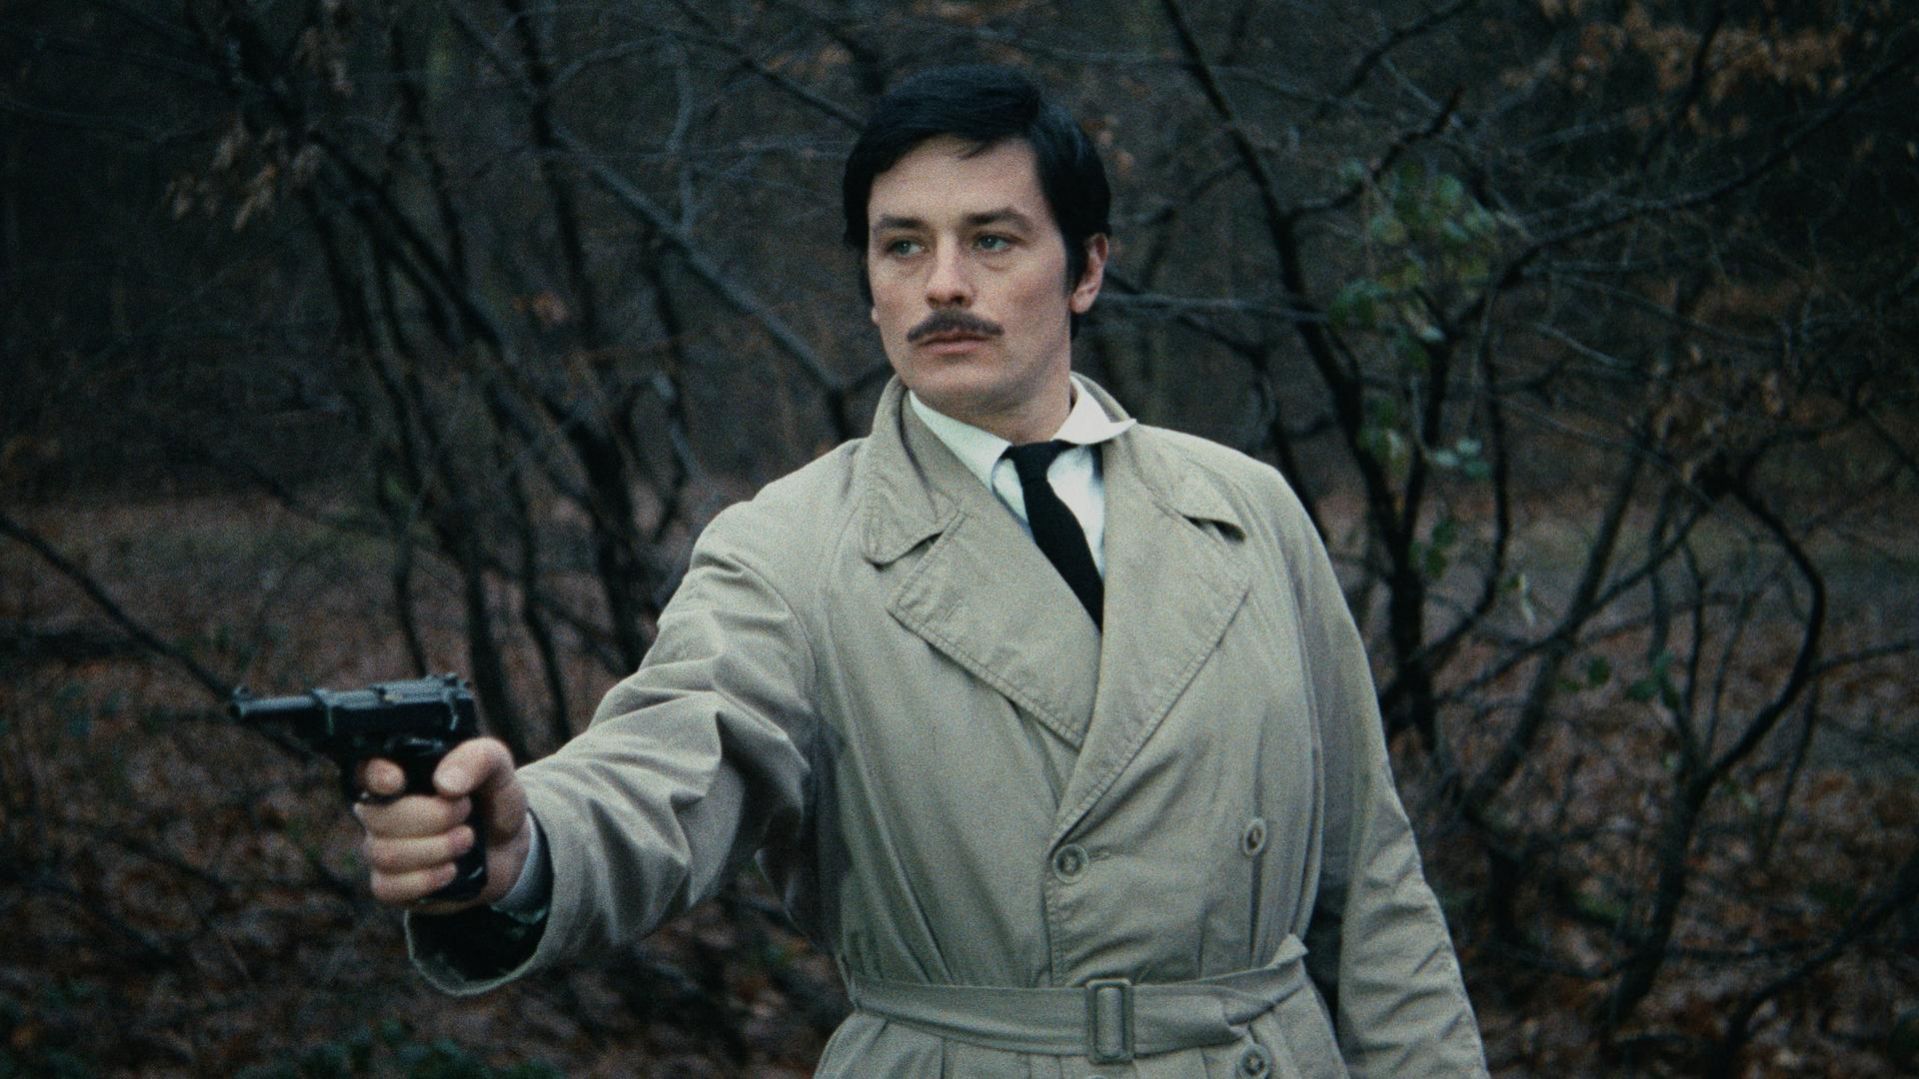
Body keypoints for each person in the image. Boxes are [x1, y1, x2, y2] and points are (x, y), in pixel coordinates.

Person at [355, 64, 1489, 1076]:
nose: (943, 283)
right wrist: (523, 847)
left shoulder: (1246, 509)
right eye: (903, 245)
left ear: (1086, 268)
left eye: (991, 240)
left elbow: (1372, 880)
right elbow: (670, 767)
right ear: (870, 282)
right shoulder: (792, 546)